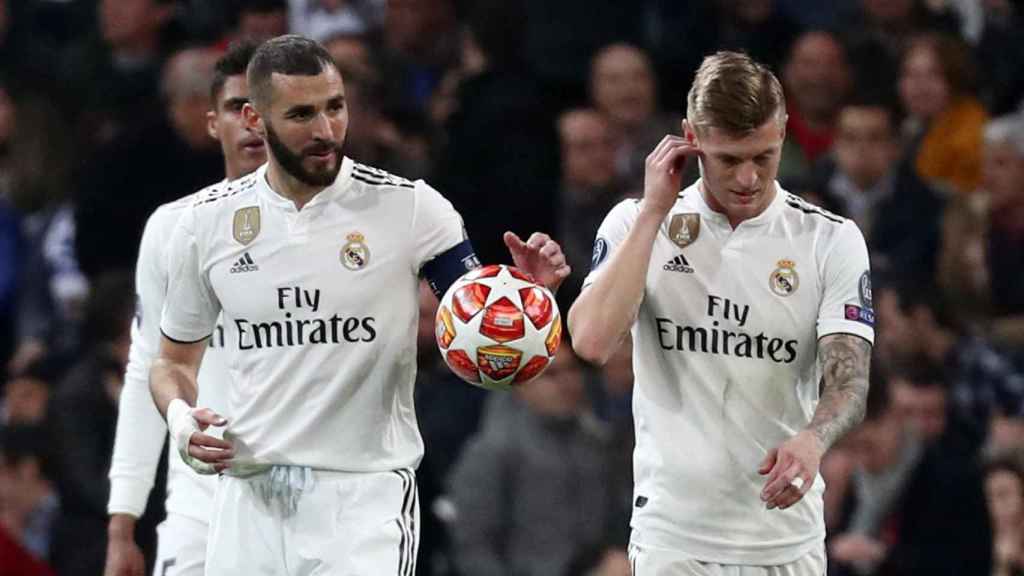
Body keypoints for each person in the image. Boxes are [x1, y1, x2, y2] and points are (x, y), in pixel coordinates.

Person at [149, 34, 569, 574]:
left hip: (361, 499)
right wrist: (182, 423)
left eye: (335, 107)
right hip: (247, 497)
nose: (325, 131)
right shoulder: (205, 226)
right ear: (256, 119)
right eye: (301, 114)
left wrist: (525, 307)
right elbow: (172, 363)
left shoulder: (413, 209)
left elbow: (481, 345)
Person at [569, 51, 873, 573]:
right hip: (674, 537)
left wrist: (813, 439)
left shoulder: (830, 240)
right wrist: (653, 213)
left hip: (786, 540)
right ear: (690, 139)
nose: (749, 178)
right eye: (729, 159)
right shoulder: (634, 223)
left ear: (782, 133)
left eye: (765, 155)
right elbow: (592, 342)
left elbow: (850, 381)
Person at [104, 41, 266, 576]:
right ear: (212, 123)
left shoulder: (341, 232)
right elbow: (146, 369)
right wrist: (122, 521)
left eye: (264, 107)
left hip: (307, 510)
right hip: (199, 509)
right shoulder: (173, 228)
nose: (251, 123)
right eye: (235, 107)